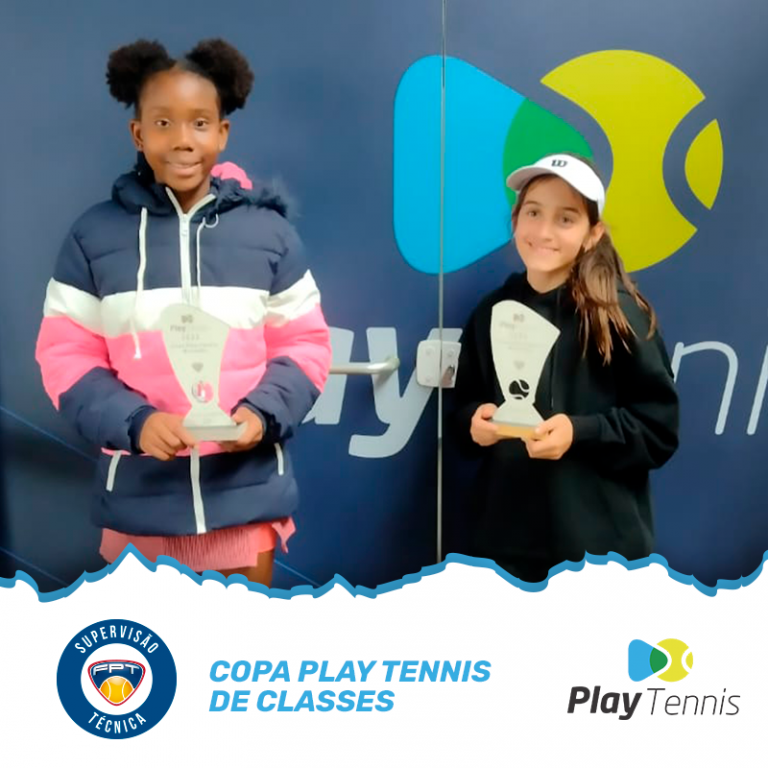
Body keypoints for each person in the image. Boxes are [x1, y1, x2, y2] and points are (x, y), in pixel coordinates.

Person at [35, 39, 331, 587]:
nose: (182, 140)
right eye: (163, 123)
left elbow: (306, 346)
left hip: (244, 501)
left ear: (222, 132)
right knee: (150, 643)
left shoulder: (269, 235)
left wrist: (261, 415)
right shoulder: (93, 237)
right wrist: (137, 423)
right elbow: (66, 359)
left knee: (238, 640)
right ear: (138, 134)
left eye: (199, 122)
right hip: (139, 506)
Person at [453, 152, 679, 583]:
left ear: (593, 234)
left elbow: (659, 430)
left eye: (566, 219)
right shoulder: (491, 313)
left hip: (598, 557)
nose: (543, 232)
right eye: (533, 213)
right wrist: (474, 424)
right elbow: (463, 407)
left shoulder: (617, 316)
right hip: (504, 553)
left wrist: (580, 432)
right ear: (515, 220)